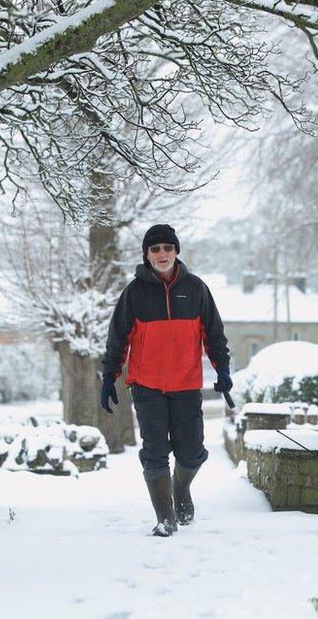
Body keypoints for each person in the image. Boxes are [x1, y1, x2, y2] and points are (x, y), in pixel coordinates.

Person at [100, 224, 233, 537]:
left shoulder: (197, 288)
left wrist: (223, 370)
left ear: (176, 251)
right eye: (155, 249)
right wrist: (110, 375)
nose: (162, 254)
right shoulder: (134, 293)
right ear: (147, 255)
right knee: (155, 450)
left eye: (167, 248)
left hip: (187, 385)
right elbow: (118, 338)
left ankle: (180, 487)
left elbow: (214, 335)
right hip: (147, 386)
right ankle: (165, 517)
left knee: (191, 452)